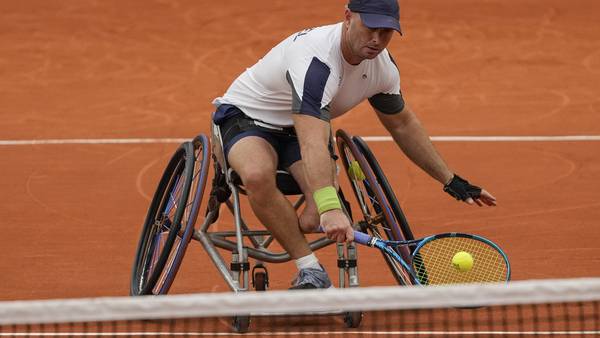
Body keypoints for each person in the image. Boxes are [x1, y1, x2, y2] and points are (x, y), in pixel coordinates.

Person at [211, 0, 497, 289]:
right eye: (370, 27)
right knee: (258, 175)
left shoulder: (381, 68)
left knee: (313, 218)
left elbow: (402, 124)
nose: (377, 40)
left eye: (386, 32)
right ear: (348, 17)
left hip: (298, 133)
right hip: (247, 119)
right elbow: (313, 142)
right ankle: (310, 269)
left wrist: (450, 180)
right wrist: (330, 206)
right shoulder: (317, 61)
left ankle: (287, 228)